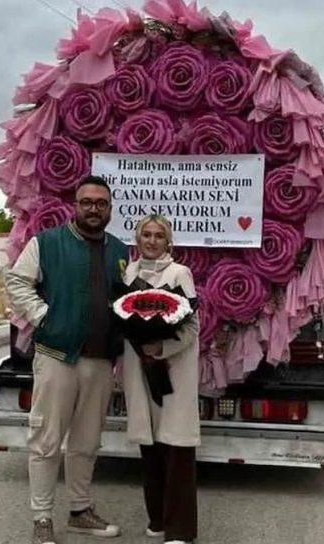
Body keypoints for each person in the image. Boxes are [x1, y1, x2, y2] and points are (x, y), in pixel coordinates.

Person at [5, 175, 129, 544]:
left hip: (101, 359)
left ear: (110, 208)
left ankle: (79, 510)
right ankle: (42, 519)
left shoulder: (120, 251)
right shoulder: (47, 243)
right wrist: (46, 316)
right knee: (46, 439)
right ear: (75, 205)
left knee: (87, 441)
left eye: (101, 203)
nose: (94, 208)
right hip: (57, 356)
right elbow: (17, 283)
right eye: (87, 202)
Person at [121, 214, 200, 544]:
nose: (152, 241)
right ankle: (156, 519)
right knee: (149, 447)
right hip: (139, 369)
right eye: (146, 235)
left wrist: (162, 346)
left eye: (158, 236)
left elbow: (192, 327)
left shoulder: (180, 274)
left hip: (172, 373)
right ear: (137, 240)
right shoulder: (129, 273)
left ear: (169, 242)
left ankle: (180, 529)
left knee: (176, 448)